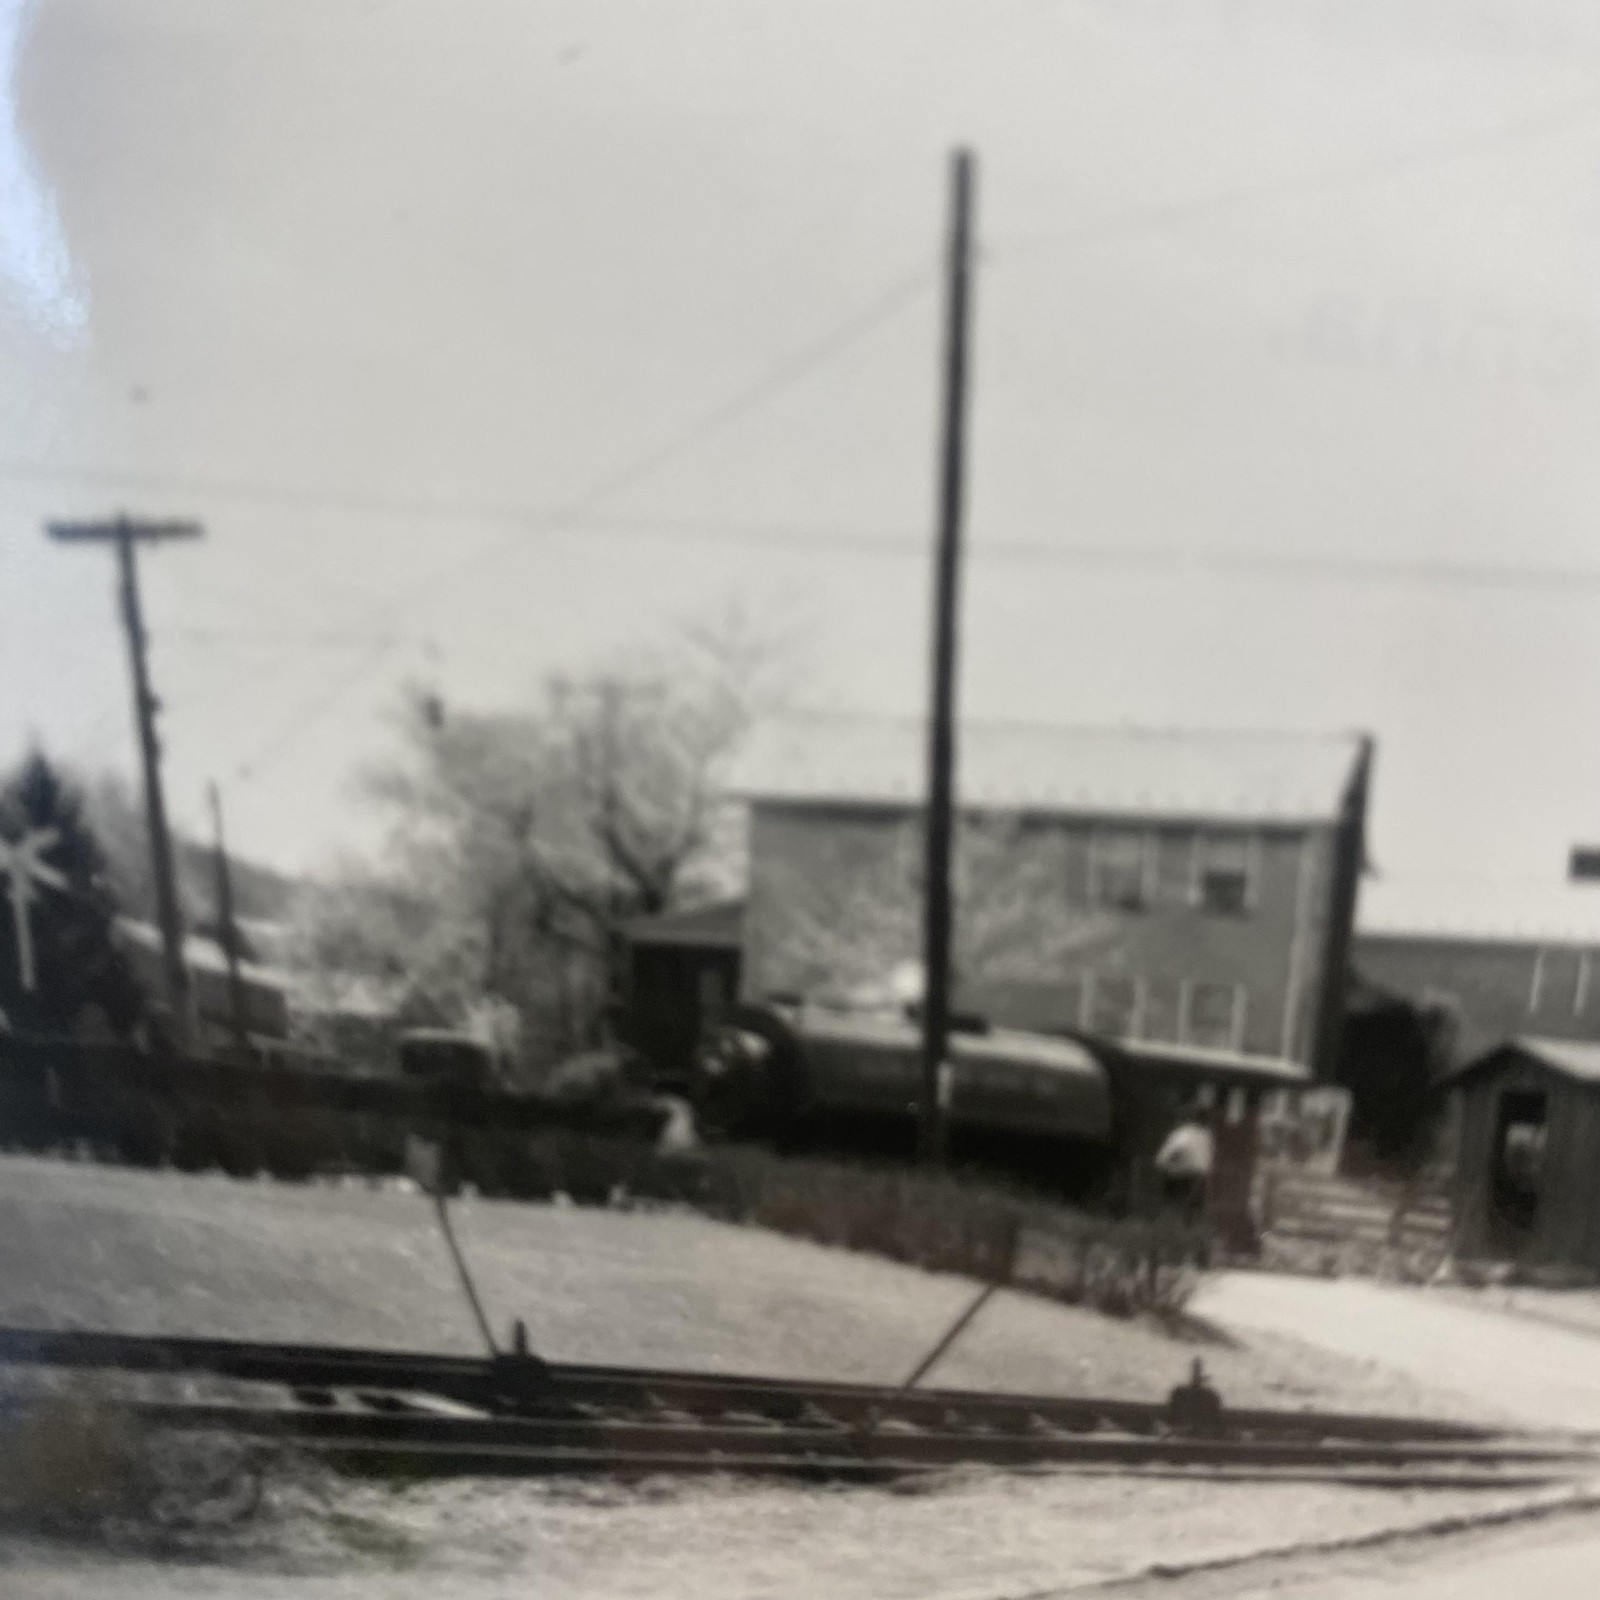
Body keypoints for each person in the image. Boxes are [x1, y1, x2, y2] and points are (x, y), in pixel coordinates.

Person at [1155, 1097, 1214, 1223]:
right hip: (1196, 1177)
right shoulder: (1206, 1135)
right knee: (1189, 1208)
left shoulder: (1184, 1133)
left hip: (1182, 1175)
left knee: (1178, 1207)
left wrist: (1165, 1165)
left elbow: (1166, 1156)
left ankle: (1176, 1223)